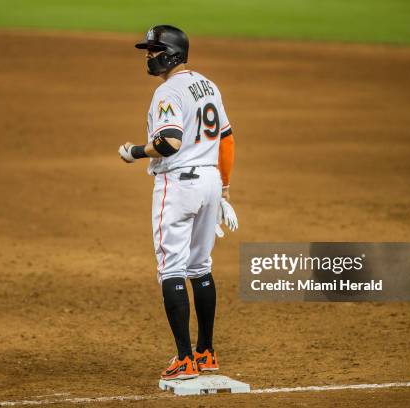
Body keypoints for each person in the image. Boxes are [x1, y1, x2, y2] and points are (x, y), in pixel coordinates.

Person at [118, 25, 237, 381]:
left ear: (170, 53)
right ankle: (206, 353)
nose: (148, 56)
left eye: (153, 50)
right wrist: (225, 186)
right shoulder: (208, 85)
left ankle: (184, 360)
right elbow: (227, 140)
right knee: (200, 266)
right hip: (211, 181)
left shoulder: (168, 91)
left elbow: (169, 142)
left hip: (179, 184)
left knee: (171, 269)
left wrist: (135, 152)